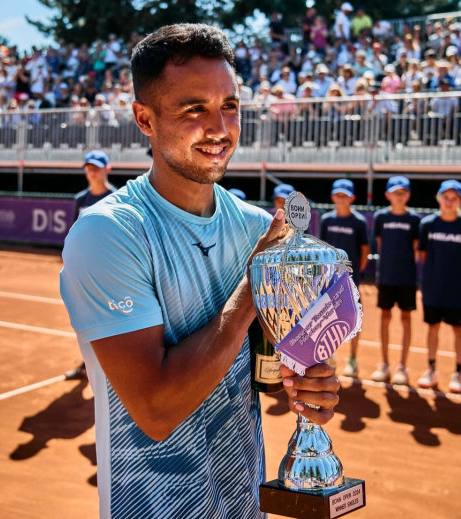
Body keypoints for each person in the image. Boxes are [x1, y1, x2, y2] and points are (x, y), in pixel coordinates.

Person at [60, 24, 339, 519]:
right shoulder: (107, 233)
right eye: (195, 108)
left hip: (244, 503)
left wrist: (306, 382)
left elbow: (266, 373)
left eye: (229, 106)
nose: (220, 128)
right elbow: (157, 410)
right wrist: (254, 287)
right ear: (144, 119)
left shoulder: (257, 225)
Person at [64, 150, 117, 381]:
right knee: (86, 319)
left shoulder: (117, 198)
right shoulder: (80, 199)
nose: (91, 172)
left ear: (107, 169)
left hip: (110, 270)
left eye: (96, 167)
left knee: (110, 319)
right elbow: (74, 233)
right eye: (88, 168)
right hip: (85, 271)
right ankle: (87, 364)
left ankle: (113, 367)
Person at [417, 180, 461, 394]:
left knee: (459, 329)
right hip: (433, 288)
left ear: (460, 201)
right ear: (439, 198)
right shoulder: (427, 225)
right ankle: (431, 369)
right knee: (433, 328)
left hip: (458, 290)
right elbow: (423, 255)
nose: (449, 202)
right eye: (445, 197)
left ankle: (458, 373)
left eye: (454, 198)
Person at [372, 176, 421, 385]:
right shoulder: (380, 217)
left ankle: (402, 366)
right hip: (386, 277)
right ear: (387, 195)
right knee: (384, 317)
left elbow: (416, 250)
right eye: (395, 193)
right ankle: (384, 364)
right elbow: (381, 245)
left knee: (406, 319)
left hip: (407, 278)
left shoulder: (415, 220)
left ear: (408, 195)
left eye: (402, 193)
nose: (398, 197)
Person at [320, 179, 370, 378]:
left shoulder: (359, 222)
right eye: (338, 195)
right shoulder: (327, 220)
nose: (341, 199)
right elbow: (322, 247)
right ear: (332, 197)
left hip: (350, 281)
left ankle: (353, 359)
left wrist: (354, 273)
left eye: (345, 195)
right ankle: (329, 356)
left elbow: (364, 251)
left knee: (353, 321)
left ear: (352, 198)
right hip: (329, 281)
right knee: (328, 320)